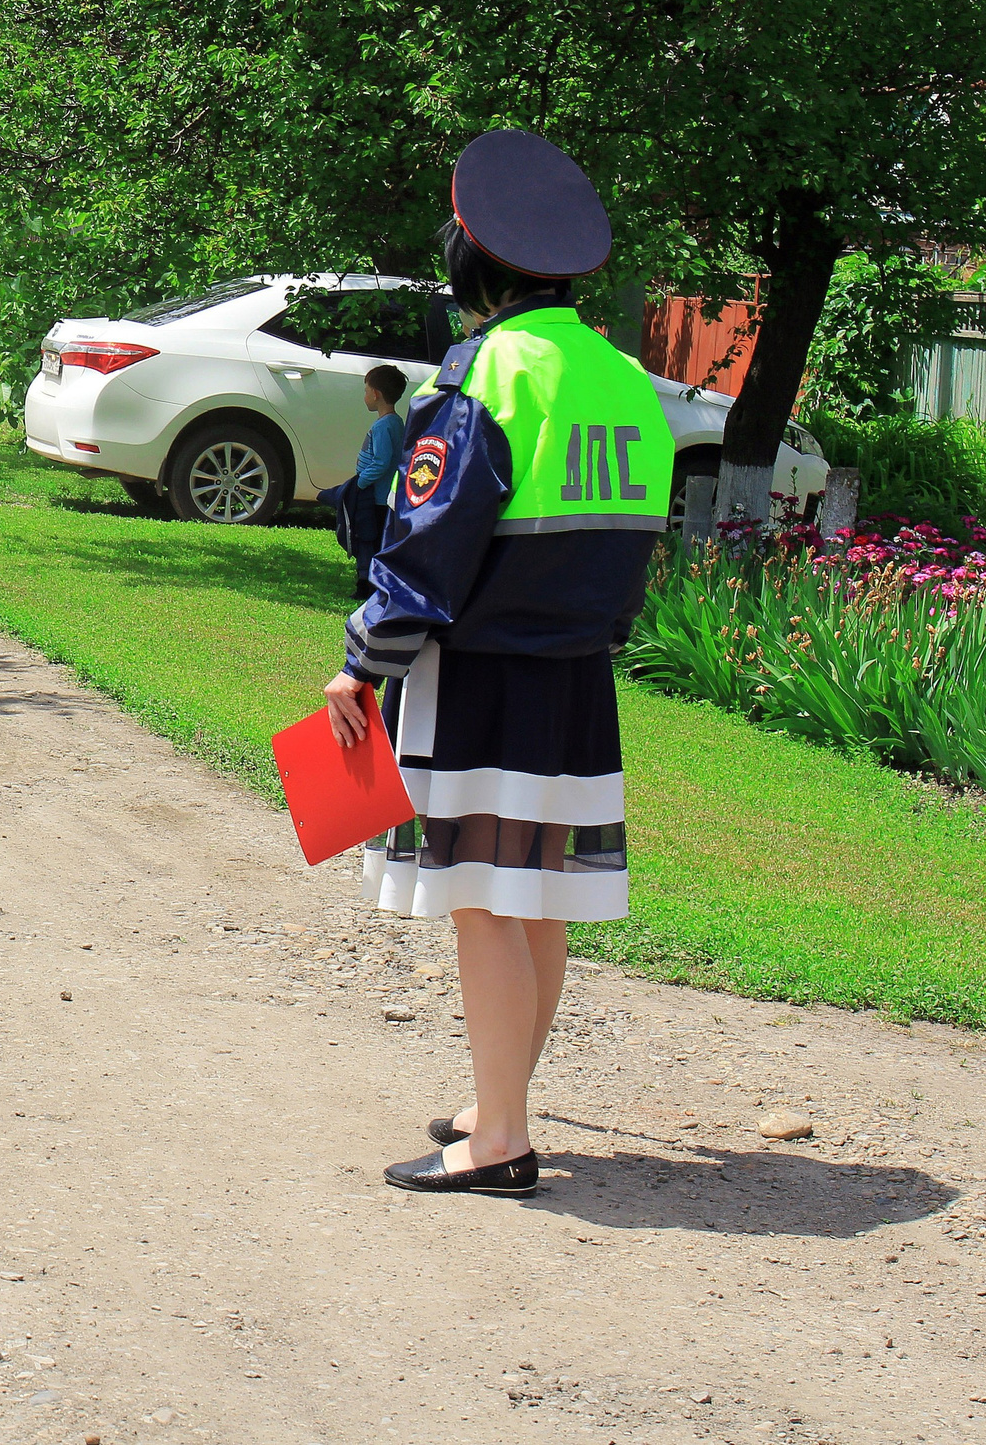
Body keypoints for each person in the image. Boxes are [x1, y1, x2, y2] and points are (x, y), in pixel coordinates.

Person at [320, 130, 670, 1200]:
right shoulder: (622, 377)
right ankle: (497, 1101)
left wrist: (361, 665)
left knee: (480, 901)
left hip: (480, 681)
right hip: (575, 682)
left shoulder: (484, 375)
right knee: (537, 902)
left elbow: (427, 549)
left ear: (471, 262)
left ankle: (500, 1138)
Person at [319, 365, 409, 598]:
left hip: (374, 495)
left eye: (366, 390)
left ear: (376, 394)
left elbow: (381, 461)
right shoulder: (395, 422)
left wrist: (360, 483)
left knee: (368, 537)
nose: (365, 396)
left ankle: (366, 583)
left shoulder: (383, 426)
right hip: (380, 494)